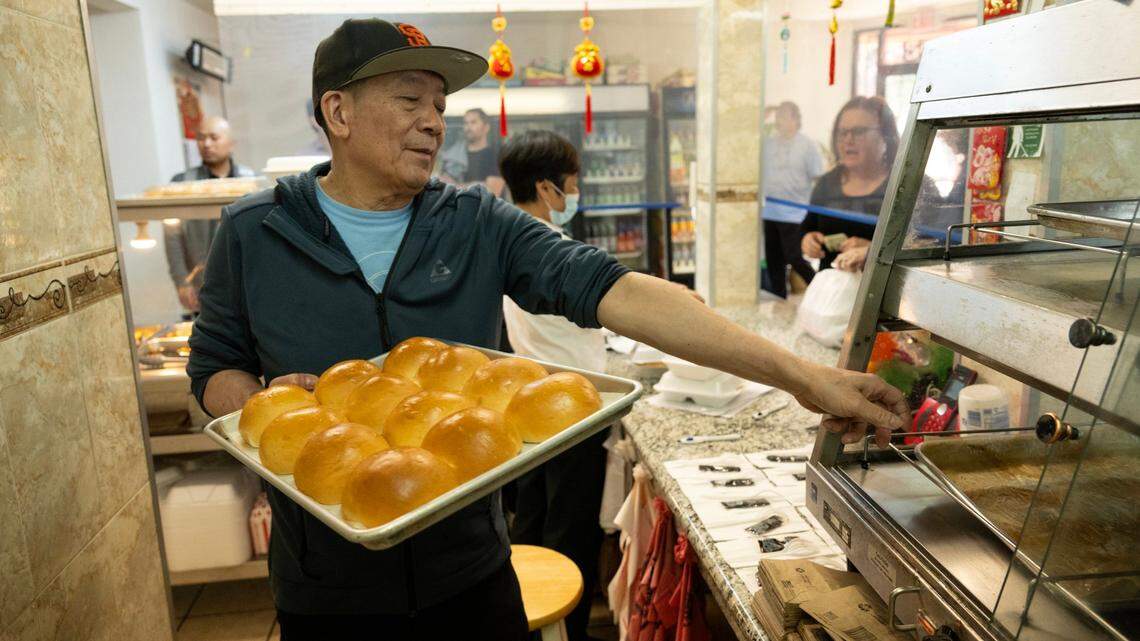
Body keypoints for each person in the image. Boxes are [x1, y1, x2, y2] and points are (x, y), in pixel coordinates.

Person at [187, 18, 908, 641]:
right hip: (327, 588)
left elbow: (621, 291)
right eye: (410, 100)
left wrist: (803, 375)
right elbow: (213, 369)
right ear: (337, 112)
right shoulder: (255, 233)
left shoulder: (472, 222)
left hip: (469, 573)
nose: (435, 120)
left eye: (439, 104)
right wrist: (262, 403)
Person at [497, 130, 606, 641]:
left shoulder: (509, 249)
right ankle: (570, 630)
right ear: (546, 189)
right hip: (572, 414)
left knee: (532, 525)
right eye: (572, 185)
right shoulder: (556, 255)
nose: (574, 195)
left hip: (528, 408)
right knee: (570, 533)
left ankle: (531, 624)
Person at [163, 116, 255, 312]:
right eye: (201, 138)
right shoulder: (181, 183)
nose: (206, 144)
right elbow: (173, 238)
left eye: (214, 137)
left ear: (231, 144)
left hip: (247, 284)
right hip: (201, 287)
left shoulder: (250, 181)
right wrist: (181, 281)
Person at [800, 96, 899, 274]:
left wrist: (873, 251)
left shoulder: (906, 186)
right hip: (832, 292)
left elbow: (926, 247)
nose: (848, 140)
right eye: (842, 132)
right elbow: (808, 226)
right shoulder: (826, 183)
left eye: (859, 131)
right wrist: (808, 239)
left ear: (885, 135)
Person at [762, 101, 823, 297]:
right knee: (774, 261)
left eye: (784, 116)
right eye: (778, 116)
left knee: (794, 257)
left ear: (796, 119)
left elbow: (818, 177)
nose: (779, 120)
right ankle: (779, 300)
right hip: (770, 211)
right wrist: (763, 115)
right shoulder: (768, 143)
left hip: (795, 213)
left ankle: (820, 292)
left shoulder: (807, 145)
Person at [440, 108, 505, 196]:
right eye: (466, 123)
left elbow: (492, 192)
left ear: (486, 127)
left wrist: (455, 186)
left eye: (473, 122)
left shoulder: (494, 156)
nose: (468, 127)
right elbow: (442, 187)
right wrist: (481, 185)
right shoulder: (453, 157)